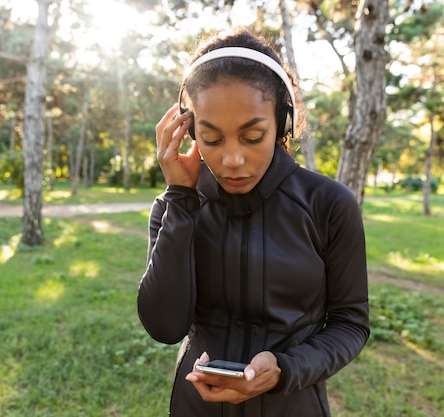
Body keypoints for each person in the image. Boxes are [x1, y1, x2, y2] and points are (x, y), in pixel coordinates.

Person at [137, 29, 369, 417]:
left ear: (283, 123)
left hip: (293, 405)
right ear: (189, 131)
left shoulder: (328, 204)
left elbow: (350, 325)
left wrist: (285, 369)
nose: (231, 159)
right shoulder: (175, 206)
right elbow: (164, 326)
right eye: (211, 138)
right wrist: (180, 199)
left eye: (252, 136)